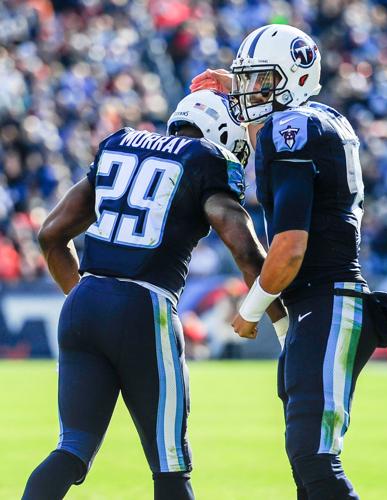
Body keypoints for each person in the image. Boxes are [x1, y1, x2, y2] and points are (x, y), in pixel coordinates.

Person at [21, 89, 286, 500]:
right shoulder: (207, 160)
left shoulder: (120, 144)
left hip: (84, 302)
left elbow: (51, 233)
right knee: (170, 467)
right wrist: (281, 323)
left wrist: (89, 298)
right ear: (223, 133)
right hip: (144, 306)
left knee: (71, 451)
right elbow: (245, 249)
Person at [191, 25, 379, 499]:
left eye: (259, 80)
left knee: (316, 463)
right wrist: (236, 84)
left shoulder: (288, 128)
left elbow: (290, 248)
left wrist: (250, 310)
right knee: (307, 467)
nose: (248, 91)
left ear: (291, 80)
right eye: (246, 79)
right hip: (326, 303)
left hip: (327, 300)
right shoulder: (319, 118)